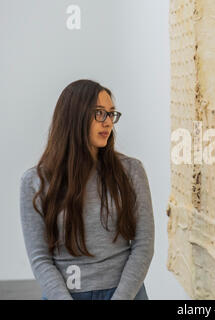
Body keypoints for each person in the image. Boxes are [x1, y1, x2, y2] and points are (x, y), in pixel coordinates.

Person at [19, 79, 155, 300]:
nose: (108, 122)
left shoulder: (131, 171)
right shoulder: (34, 181)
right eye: (99, 113)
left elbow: (144, 245)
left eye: (111, 114)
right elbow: (40, 258)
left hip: (126, 294)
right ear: (75, 116)